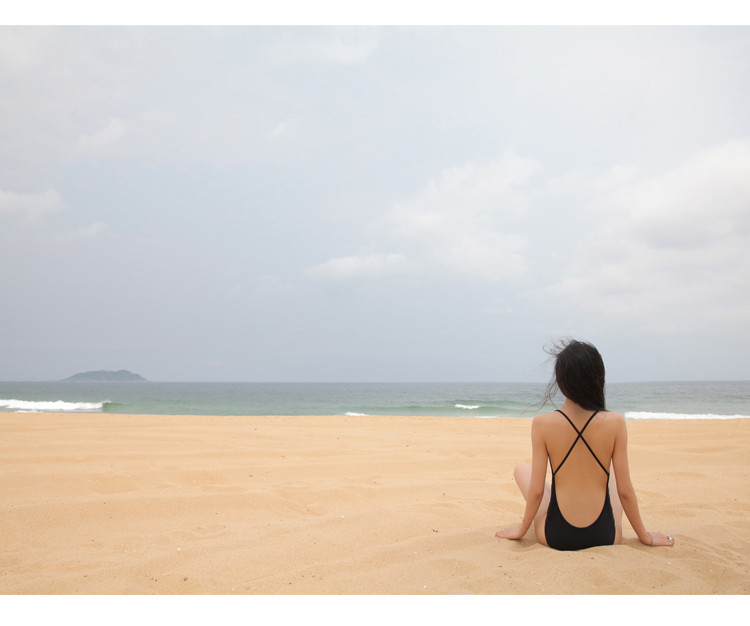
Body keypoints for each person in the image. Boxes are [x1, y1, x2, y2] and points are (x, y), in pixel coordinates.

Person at [495, 339, 675, 550]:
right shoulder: (615, 422)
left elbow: (535, 491)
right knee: (615, 474)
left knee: (522, 469)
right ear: (598, 377)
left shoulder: (542, 424)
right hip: (605, 535)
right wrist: (645, 536)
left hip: (555, 535)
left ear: (561, 380)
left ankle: (563, 493)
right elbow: (625, 491)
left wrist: (522, 530)